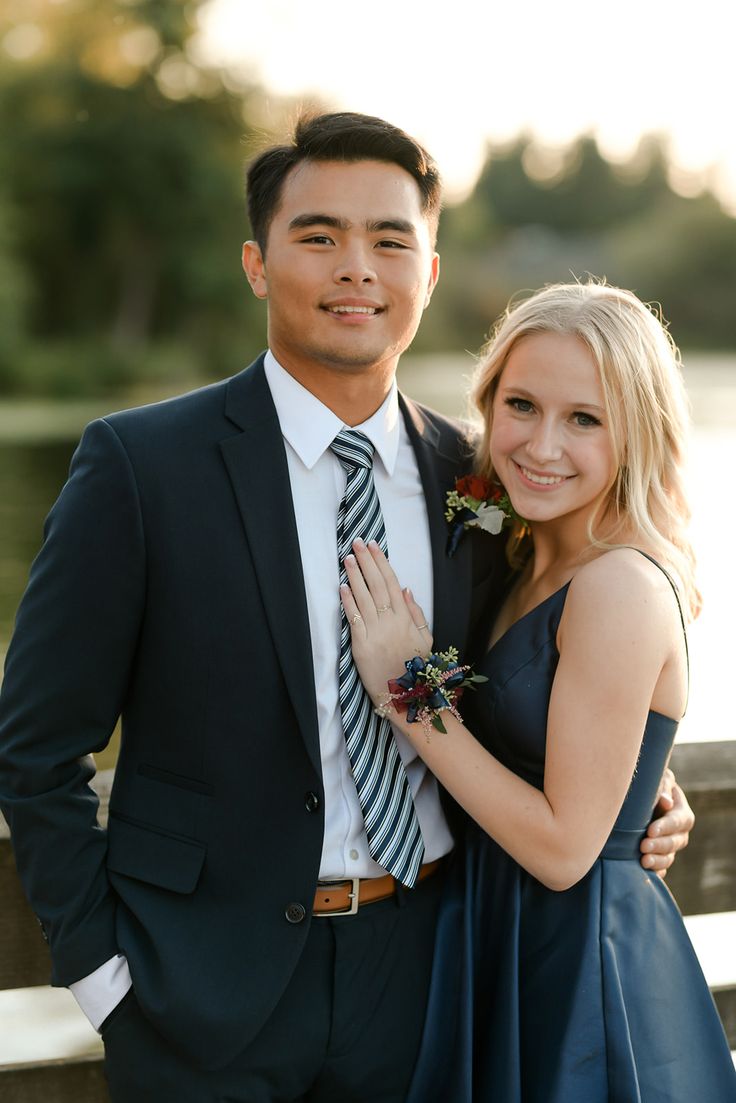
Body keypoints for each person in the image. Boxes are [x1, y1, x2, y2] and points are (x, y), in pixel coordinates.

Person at [0, 118, 692, 1103]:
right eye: (319, 235)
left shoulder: (475, 483)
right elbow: (34, 747)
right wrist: (105, 978)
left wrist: (641, 786)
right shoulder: (142, 469)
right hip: (197, 992)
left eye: (389, 240)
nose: (356, 269)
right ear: (256, 262)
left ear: (430, 270)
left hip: (425, 978)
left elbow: (542, 661)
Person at [340, 280, 736, 1102]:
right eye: (521, 404)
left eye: (584, 418)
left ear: (636, 432)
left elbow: (563, 851)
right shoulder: (516, 549)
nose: (542, 445)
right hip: (490, 936)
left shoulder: (619, 584)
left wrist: (409, 692)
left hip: (577, 964)